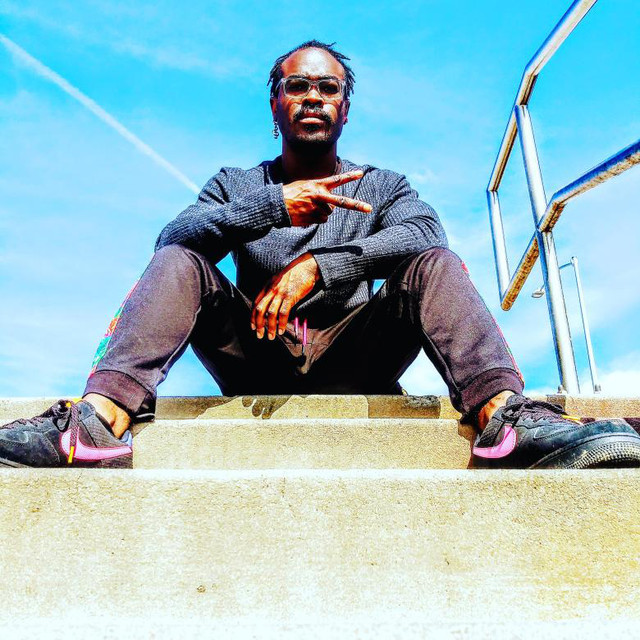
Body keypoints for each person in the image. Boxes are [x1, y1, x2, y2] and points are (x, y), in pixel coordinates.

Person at [2, 40, 640, 470]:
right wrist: (272, 208)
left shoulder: (383, 184)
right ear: (275, 104)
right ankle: (97, 422)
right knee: (180, 259)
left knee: (434, 264)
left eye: (328, 88)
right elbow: (174, 238)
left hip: (356, 359)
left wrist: (325, 266)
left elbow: (425, 233)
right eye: (298, 85)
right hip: (254, 357)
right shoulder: (234, 183)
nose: (313, 96)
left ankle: (505, 418)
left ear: (344, 108)